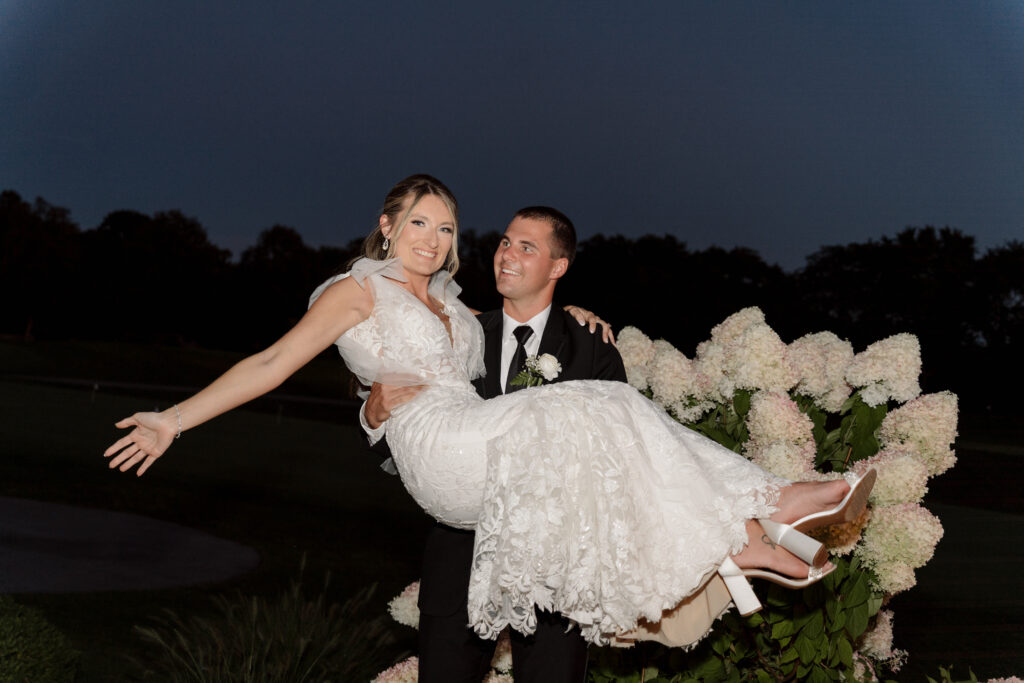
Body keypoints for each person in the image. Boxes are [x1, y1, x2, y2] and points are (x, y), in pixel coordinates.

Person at [104, 174, 874, 656]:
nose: (434, 241)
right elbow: (272, 363)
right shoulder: (357, 292)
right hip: (441, 452)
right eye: (418, 224)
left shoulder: (454, 308)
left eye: (446, 228)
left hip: (483, 447)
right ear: (386, 224)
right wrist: (174, 419)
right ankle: (768, 513)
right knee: (598, 403)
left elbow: (510, 335)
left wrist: (572, 309)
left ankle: (755, 531)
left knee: (607, 401)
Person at [360, 204, 626, 682]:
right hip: (458, 564)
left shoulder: (592, 347)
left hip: (554, 575)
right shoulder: (457, 338)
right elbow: (416, 443)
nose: (507, 254)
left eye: (527, 247)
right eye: (505, 242)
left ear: (558, 267)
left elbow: (613, 463)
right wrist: (374, 418)